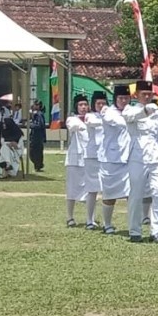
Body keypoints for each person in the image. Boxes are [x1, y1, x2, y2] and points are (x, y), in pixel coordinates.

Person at [124, 80, 158, 243]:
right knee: (136, 194)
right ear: (136, 95)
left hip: (156, 155)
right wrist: (146, 111)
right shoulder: (131, 109)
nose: (147, 96)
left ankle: (156, 231)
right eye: (144, 94)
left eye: (150, 94)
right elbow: (129, 117)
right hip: (137, 155)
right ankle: (135, 230)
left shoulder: (156, 110)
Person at [99, 85, 133, 235]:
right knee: (109, 194)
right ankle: (107, 224)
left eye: (126, 98)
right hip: (111, 158)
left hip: (129, 158)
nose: (124, 101)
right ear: (115, 99)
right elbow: (119, 122)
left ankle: (133, 224)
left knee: (131, 194)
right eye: (120, 98)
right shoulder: (108, 111)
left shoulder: (132, 110)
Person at [82, 91, 108, 229]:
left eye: (103, 103)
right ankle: (89, 219)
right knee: (92, 190)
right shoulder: (89, 116)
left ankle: (106, 221)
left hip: (106, 156)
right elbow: (94, 123)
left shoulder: (110, 116)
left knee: (106, 190)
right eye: (98, 103)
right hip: (92, 155)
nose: (101, 105)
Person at [64, 95, 90, 226]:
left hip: (89, 158)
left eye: (85, 104)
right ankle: (70, 217)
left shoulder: (93, 118)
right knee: (72, 188)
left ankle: (90, 218)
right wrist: (84, 125)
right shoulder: (72, 119)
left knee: (90, 189)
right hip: (74, 159)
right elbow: (73, 126)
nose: (83, 107)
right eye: (80, 105)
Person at [28, 101, 46, 172]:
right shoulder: (35, 114)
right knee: (34, 152)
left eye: (35, 105)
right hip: (35, 136)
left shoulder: (39, 115)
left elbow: (39, 125)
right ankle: (38, 165)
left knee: (35, 152)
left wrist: (31, 125)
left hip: (37, 136)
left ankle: (38, 165)